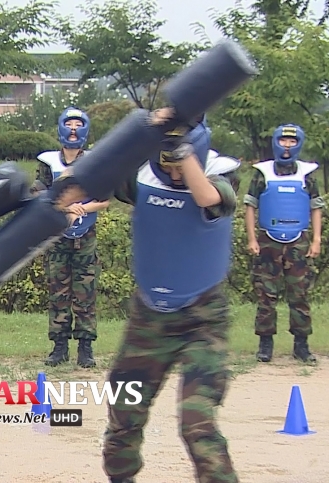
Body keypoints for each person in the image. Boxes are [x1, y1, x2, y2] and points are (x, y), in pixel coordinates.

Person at [103, 110, 239, 483]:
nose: (174, 175)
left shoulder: (220, 174)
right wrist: (143, 132)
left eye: (181, 166)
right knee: (124, 414)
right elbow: (99, 183)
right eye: (169, 166)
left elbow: (207, 197)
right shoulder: (143, 176)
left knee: (197, 424)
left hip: (202, 319)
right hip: (149, 319)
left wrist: (184, 154)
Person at [33, 106, 109, 368]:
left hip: (86, 235)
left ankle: (85, 348)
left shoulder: (96, 161)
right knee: (58, 292)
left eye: (78, 125)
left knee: (85, 293)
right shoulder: (48, 163)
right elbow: (38, 196)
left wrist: (82, 208)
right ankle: (59, 346)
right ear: (61, 128)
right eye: (69, 124)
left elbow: (104, 200)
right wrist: (65, 208)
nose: (73, 130)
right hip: (57, 236)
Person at [243, 124, 324, 364]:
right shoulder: (262, 172)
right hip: (268, 240)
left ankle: (301, 344)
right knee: (266, 293)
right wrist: (251, 238)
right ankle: (265, 344)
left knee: (299, 293)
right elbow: (250, 206)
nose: (287, 146)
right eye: (283, 141)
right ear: (276, 142)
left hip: (299, 240)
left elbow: (316, 207)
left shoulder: (308, 174)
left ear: (298, 142)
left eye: (292, 141)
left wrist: (317, 239)